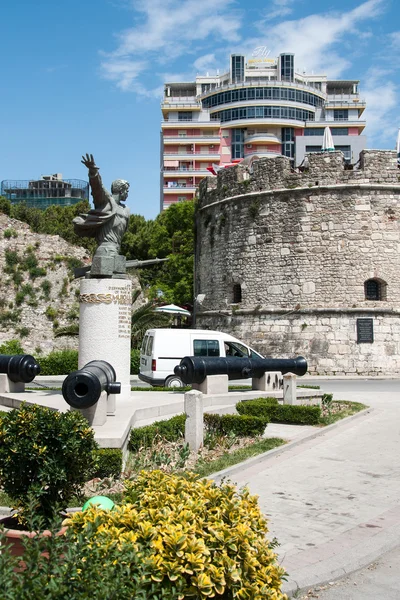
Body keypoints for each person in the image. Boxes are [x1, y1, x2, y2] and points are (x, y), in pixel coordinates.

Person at [73, 153, 130, 258]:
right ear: (121, 190)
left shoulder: (126, 210)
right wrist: (93, 171)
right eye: (127, 190)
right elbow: (97, 187)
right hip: (105, 251)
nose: (128, 193)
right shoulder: (106, 201)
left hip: (116, 251)